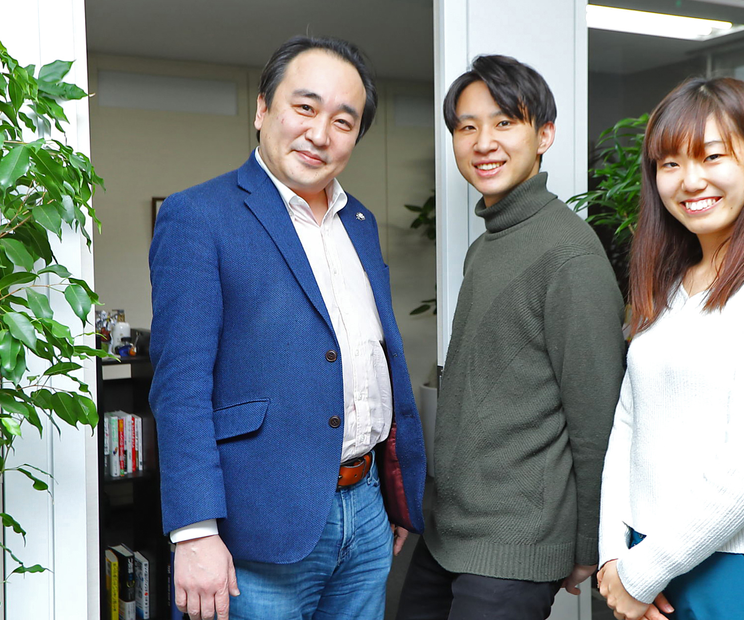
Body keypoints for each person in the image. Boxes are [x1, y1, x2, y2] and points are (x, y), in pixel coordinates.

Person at [148, 35, 426, 620]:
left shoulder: (359, 221)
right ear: (263, 109)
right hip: (256, 526)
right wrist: (194, 532)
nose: (320, 134)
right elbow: (180, 387)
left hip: (366, 509)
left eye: (343, 121)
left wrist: (394, 496)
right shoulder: (199, 215)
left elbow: (369, 354)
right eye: (305, 107)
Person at [396, 55, 626, 620]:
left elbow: (598, 417)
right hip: (450, 531)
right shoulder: (486, 246)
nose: (483, 142)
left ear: (544, 135)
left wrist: (589, 545)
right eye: (466, 127)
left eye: (504, 123)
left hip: (514, 542)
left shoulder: (569, 255)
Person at [597, 77, 744, 620]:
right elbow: (628, 427)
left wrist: (638, 575)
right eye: (670, 163)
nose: (690, 180)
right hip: (650, 559)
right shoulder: (669, 285)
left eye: (711, 157)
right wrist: (613, 555)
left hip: (743, 571)